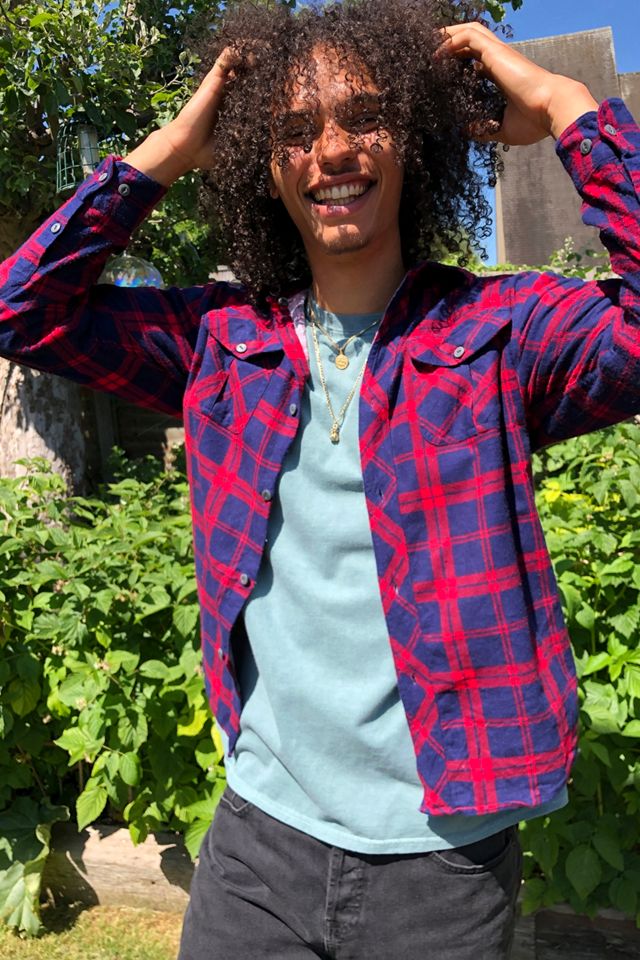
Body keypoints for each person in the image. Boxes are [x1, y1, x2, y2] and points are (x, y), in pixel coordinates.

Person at [1, 0, 639, 956]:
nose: (332, 150)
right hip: (256, 847)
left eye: (367, 117)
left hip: (444, 865)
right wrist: (168, 152)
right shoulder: (221, 342)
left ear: (414, 142)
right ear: (263, 165)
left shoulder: (501, 334)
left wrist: (566, 107)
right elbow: (23, 311)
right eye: (293, 130)